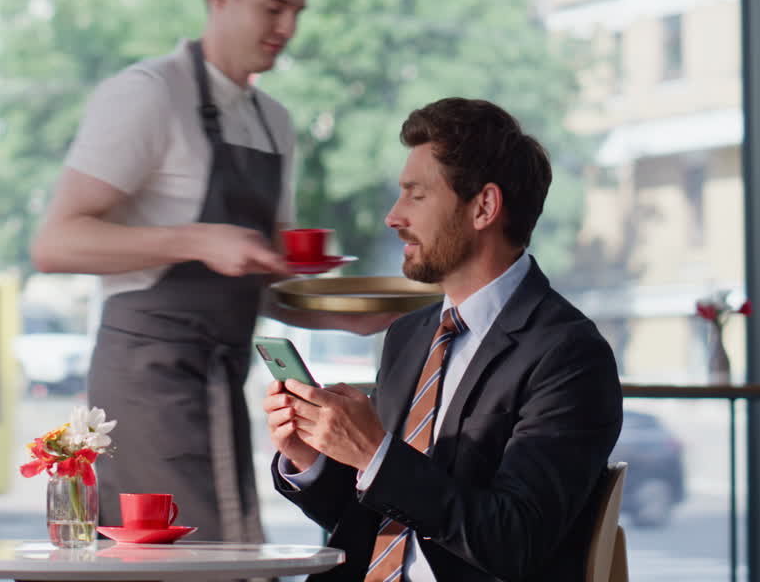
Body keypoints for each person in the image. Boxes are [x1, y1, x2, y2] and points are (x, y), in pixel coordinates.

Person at [32, 0, 380, 543]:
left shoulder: (274, 121)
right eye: (274, 7)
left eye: (297, 11)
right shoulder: (147, 94)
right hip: (144, 383)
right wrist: (195, 238)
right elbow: (54, 243)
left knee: (229, 552)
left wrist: (343, 312)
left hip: (221, 381)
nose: (287, 29)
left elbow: (261, 279)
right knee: (186, 560)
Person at [264, 98, 624, 581]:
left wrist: (374, 452)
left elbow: (512, 539)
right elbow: (376, 518)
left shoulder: (568, 355)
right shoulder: (409, 336)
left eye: (416, 195)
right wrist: (311, 458)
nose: (394, 217)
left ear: (484, 207)